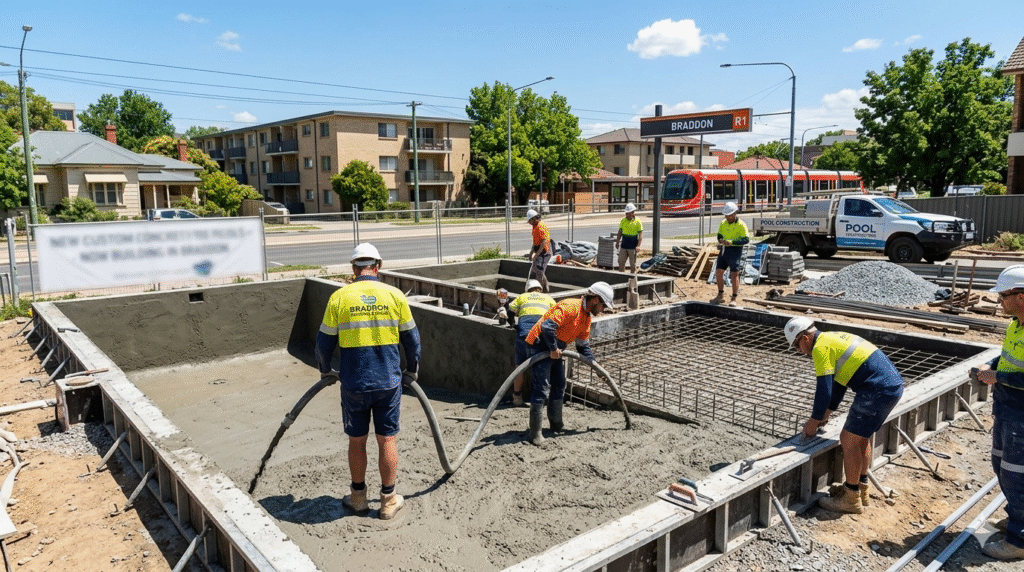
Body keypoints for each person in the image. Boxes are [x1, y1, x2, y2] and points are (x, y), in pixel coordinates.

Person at [315, 242, 421, 521]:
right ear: (378, 267)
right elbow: (412, 340)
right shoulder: (395, 295)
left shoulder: (339, 298)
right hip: (388, 382)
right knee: (387, 439)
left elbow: (323, 344)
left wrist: (325, 370)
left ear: (354, 269)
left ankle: (358, 498)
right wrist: (412, 370)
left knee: (357, 440)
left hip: (354, 383)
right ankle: (388, 501)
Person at [784, 316, 904, 515]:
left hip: (876, 390)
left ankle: (850, 499)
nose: (799, 351)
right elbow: (839, 385)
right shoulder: (832, 339)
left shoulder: (820, 348)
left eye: (797, 346)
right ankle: (859, 488)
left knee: (848, 439)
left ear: (805, 338)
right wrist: (826, 414)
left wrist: (813, 421)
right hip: (891, 386)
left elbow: (824, 389)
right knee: (861, 438)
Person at [973, 265, 1024, 560]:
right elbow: (1008, 356)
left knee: (1017, 475)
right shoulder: (1015, 324)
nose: (999, 301)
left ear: (1021, 296)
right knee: (1002, 466)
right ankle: (1018, 518)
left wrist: (997, 377)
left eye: (1003, 296)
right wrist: (990, 365)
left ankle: (1019, 540)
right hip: (1006, 407)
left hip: (1021, 414)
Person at [524, 282, 614, 445]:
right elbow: (547, 327)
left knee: (559, 384)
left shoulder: (586, 318)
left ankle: (556, 424)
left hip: (556, 347)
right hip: (540, 343)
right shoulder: (571, 307)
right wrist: (553, 348)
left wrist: (595, 366)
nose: (603, 309)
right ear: (595, 299)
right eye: (603, 305)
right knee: (541, 388)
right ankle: (535, 433)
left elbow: (582, 346)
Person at [506, 279, 556, 407]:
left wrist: (513, 324)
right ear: (540, 289)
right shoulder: (548, 298)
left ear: (527, 289)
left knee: (519, 367)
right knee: (539, 367)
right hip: (539, 335)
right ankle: (540, 399)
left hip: (522, 335)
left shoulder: (522, 297)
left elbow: (510, 311)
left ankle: (517, 397)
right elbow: (556, 315)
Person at [713, 202, 749, 307]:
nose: (728, 217)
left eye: (729, 215)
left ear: (734, 213)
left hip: (735, 251)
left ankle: (734, 297)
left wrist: (732, 242)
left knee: (734, 274)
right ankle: (720, 294)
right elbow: (719, 235)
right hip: (724, 250)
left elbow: (746, 239)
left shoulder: (741, 224)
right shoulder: (723, 223)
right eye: (726, 215)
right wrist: (721, 240)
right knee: (719, 272)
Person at [527, 209, 552, 292]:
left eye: (529, 221)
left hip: (545, 252)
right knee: (535, 269)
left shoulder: (541, 227)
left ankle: (543, 290)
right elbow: (535, 242)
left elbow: (543, 243)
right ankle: (544, 286)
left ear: (534, 218)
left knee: (540, 271)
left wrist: (536, 255)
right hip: (539, 250)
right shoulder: (535, 226)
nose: (529, 223)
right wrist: (531, 253)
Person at [616, 203, 644, 274]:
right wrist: (617, 242)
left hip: (632, 246)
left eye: (629, 213)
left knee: (633, 264)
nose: (628, 215)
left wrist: (638, 245)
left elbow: (640, 235)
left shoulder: (638, 221)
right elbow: (620, 232)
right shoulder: (623, 221)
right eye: (627, 213)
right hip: (624, 245)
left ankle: (632, 277)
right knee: (621, 262)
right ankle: (621, 276)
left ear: (633, 213)